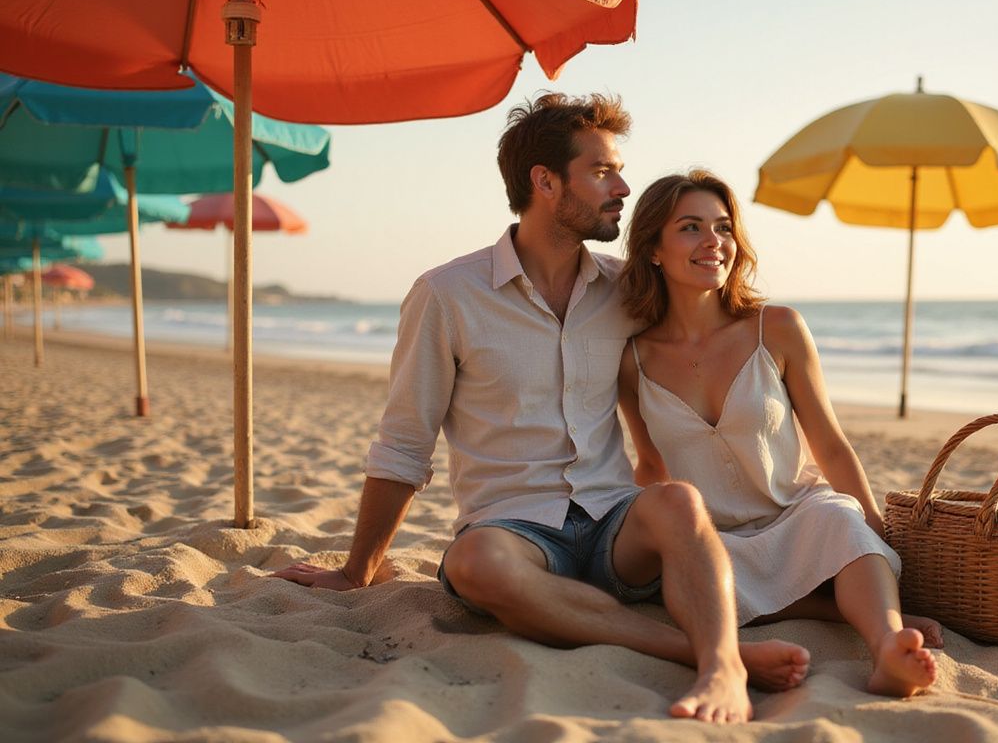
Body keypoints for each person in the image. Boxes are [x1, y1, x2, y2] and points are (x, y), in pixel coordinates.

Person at [272, 95, 810, 723]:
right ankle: (711, 652)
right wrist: (356, 570)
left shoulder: (626, 288)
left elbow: (704, 339)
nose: (624, 187)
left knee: (678, 501)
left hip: (617, 522)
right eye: (603, 171)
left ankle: (724, 672)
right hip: (516, 528)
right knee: (474, 563)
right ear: (546, 182)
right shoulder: (447, 295)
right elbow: (404, 442)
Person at [615, 170, 942, 698]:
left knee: (840, 518)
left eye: (723, 228)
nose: (713, 243)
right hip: (713, 537)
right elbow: (650, 465)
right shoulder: (633, 360)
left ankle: (886, 649)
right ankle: (837, 605)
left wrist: (878, 534)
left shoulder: (778, 328)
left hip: (799, 516)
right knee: (690, 572)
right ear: (653, 248)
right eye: (691, 228)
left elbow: (830, 444)